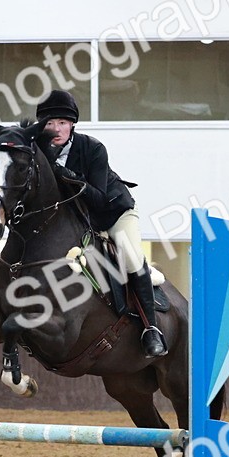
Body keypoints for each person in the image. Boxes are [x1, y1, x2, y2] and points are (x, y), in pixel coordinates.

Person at [36, 89, 167, 358]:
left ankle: (151, 329)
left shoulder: (92, 148)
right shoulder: (38, 152)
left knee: (130, 257)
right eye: (49, 123)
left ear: (72, 124)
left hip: (113, 213)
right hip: (80, 221)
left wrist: (62, 172)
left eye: (62, 122)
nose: (56, 129)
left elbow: (98, 198)